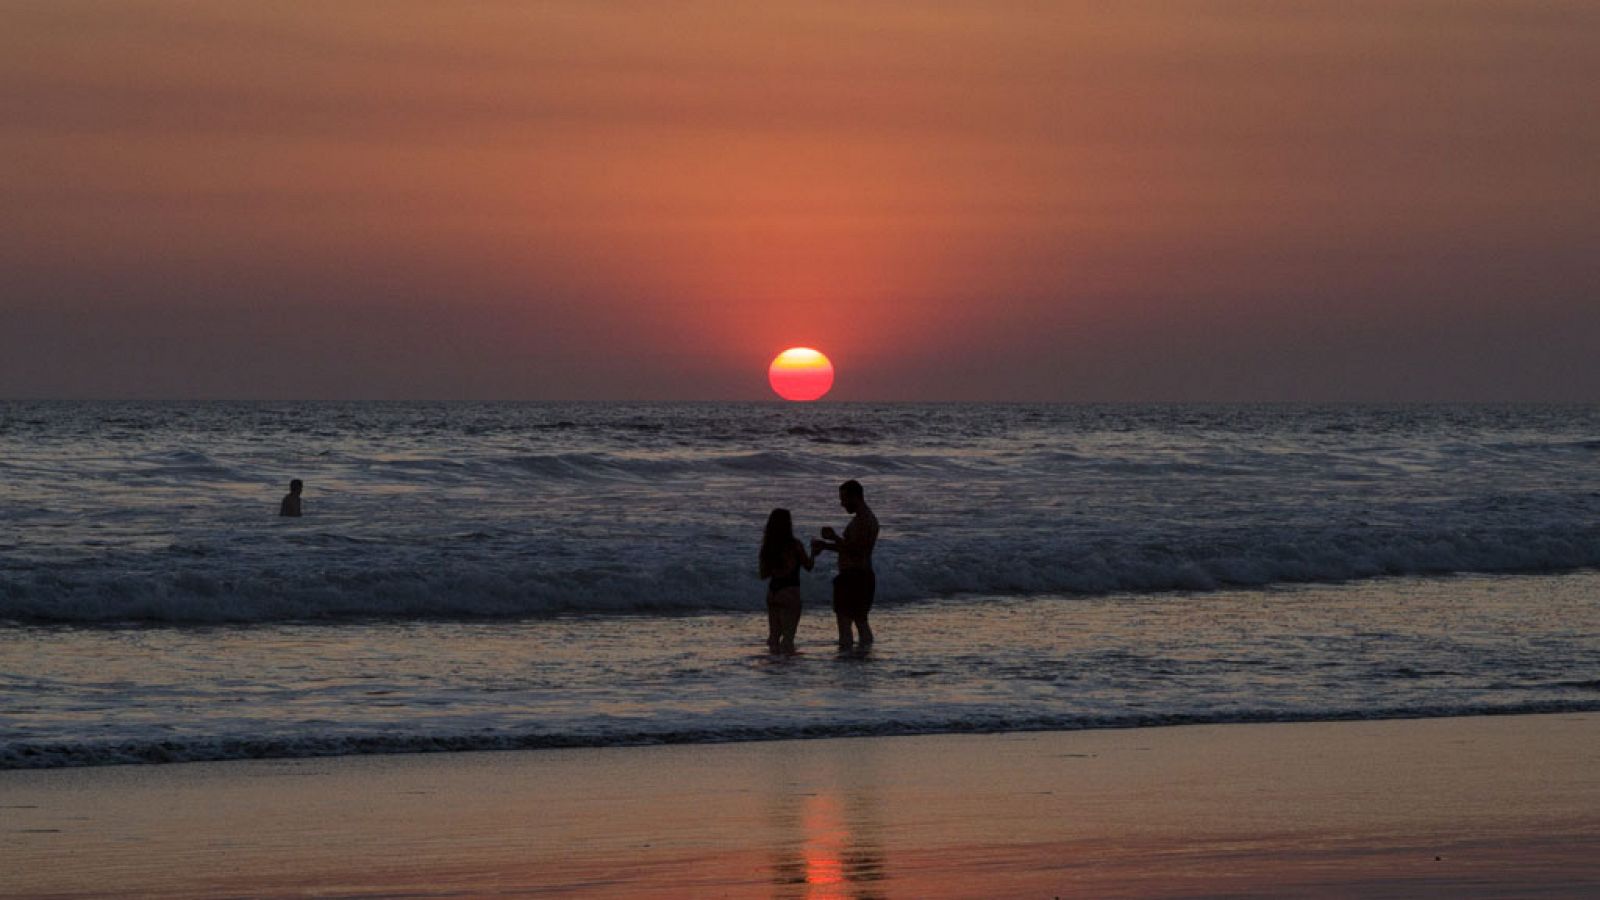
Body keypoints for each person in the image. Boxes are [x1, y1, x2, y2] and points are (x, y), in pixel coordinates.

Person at [812, 479, 879, 651]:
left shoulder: (864, 520)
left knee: (845, 623)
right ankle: (863, 656)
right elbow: (851, 548)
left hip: (854, 577)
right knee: (861, 621)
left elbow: (857, 551)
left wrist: (833, 537)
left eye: (844, 498)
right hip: (862, 576)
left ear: (855, 496)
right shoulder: (865, 518)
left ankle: (847, 662)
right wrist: (826, 546)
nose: (842, 503)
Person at [759, 508, 813, 654]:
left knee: (773, 637)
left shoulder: (767, 547)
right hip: (789, 592)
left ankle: (774, 668)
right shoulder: (794, 545)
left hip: (772, 592)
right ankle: (786, 673)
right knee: (788, 639)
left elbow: (763, 574)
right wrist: (814, 552)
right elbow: (808, 566)